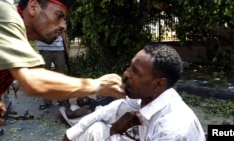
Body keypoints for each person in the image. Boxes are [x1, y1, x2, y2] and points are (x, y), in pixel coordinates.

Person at [0, 0, 125, 131]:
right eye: (58, 16)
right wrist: (98, 85)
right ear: (33, 7)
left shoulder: (16, 34)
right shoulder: (7, 14)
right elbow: (32, 81)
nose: (64, 26)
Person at [62, 44, 206, 141]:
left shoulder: (172, 130)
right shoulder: (146, 97)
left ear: (158, 84)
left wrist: (115, 133)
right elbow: (103, 113)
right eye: (130, 67)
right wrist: (68, 136)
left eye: (135, 72)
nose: (126, 74)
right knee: (96, 129)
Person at [37, 30, 68, 110]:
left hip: (59, 48)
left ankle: (61, 100)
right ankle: (46, 100)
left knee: (61, 75)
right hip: (44, 47)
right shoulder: (38, 16)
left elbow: (63, 31)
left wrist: (66, 48)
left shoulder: (60, 17)